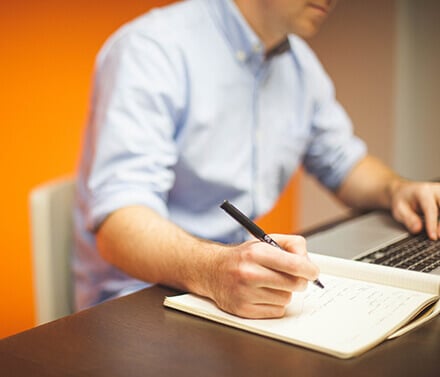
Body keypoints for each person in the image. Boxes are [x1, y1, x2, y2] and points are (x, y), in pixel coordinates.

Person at [74, 0, 440, 318]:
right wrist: (214, 271)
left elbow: (343, 162)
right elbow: (118, 226)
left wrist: (396, 189)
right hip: (139, 303)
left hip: (235, 287)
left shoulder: (298, 64)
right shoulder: (151, 49)